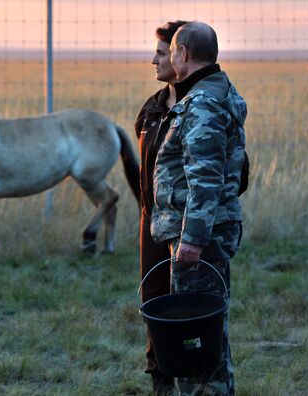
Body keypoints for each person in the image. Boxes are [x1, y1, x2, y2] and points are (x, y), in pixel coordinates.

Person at [150, 21, 247, 395]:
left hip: (198, 240)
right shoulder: (216, 92)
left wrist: (191, 239)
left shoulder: (202, 103)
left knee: (195, 338)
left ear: (184, 55)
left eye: (171, 51)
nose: (168, 57)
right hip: (207, 232)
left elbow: (204, 178)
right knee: (209, 334)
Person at [135, 20, 188, 395]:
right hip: (150, 222)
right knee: (153, 301)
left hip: (188, 228)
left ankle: (195, 376)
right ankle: (161, 378)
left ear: (179, 55)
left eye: (159, 52)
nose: (153, 60)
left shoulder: (201, 108)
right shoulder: (151, 109)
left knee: (189, 306)